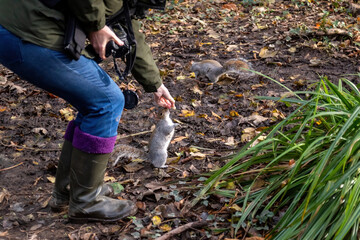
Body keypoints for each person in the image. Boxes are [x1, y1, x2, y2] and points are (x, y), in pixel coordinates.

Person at [0, 0, 175, 222]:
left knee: (94, 102)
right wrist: (95, 24)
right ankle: (86, 202)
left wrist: (155, 84)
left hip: (27, 26)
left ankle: (69, 190)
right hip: (27, 30)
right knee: (106, 101)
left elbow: (130, 27)